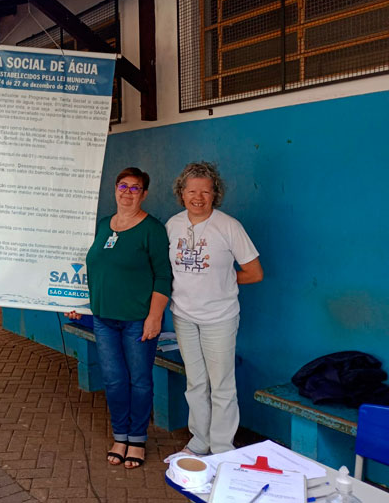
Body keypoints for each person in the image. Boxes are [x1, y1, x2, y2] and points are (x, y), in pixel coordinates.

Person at [67, 167, 172, 469]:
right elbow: (94, 269)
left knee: (140, 381)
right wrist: (77, 304)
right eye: (122, 186)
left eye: (135, 188)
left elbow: (163, 276)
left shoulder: (152, 229)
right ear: (115, 190)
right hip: (104, 319)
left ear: (144, 194)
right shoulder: (104, 225)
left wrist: (155, 316)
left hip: (138, 320)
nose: (127, 192)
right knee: (113, 381)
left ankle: (137, 439)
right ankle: (120, 436)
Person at [165, 161, 263, 458]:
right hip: (183, 316)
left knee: (222, 385)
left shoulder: (229, 226)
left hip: (219, 318)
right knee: (195, 382)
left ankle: (221, 447)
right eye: (191, 191)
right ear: (181, 193)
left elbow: (254, 273)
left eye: (205, 192)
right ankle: (199, 441)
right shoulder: (173, 225)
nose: (198, 197)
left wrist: (222, 279)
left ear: (215, 194)